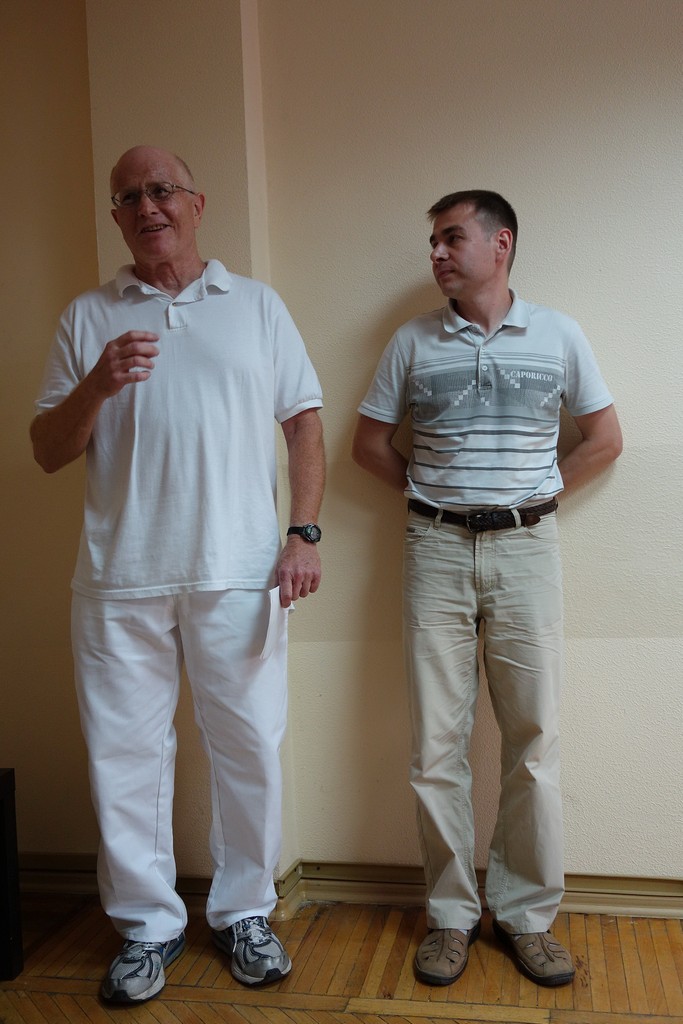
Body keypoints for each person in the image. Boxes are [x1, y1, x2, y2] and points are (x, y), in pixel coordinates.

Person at [31, 146, 325, 1004]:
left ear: (196, 203)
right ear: (116, 218)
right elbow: (47, 450)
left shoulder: (257, 306)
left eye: (161, 190)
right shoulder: (87, 316)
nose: (147, 206)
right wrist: (97, 384)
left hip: (240, 572)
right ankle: (145, 928)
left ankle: (244, 913)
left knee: (250, 748)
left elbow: (304, 424)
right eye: (129, 197)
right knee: (122, 759)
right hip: (118, 579)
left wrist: (302, 534)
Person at [352, 190, 622, 988]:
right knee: (434, 746)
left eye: (450, 238)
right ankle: (449, 916)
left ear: (499, 244)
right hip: (433, 549)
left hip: (526, 550)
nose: (436, 253)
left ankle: (525, 916)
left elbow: (604, 438)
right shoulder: (410, 341)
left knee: (532, 740)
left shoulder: (558, 334)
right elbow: (368, 444)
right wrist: (435, 493)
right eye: (432, 241)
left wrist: (534, 493)